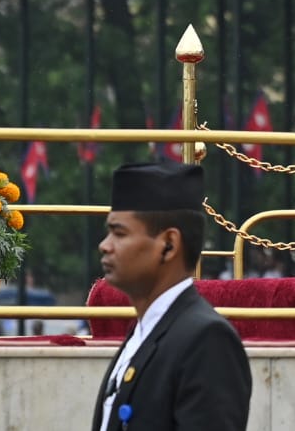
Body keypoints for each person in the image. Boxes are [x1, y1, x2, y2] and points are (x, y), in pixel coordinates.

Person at [92, 162, 252, 431]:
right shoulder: (147, 331)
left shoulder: (206, 340)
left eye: (119, 233)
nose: (105, 245)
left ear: (169, 245)